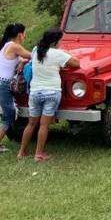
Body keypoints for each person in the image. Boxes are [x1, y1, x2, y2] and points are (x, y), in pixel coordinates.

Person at [18, 28, 80, 161]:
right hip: (52, 92)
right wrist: (65, 53)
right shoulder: (57, 53)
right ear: (55, 42)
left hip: (35, 92)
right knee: (43, 125)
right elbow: (76, 63)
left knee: (31, 124)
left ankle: (22, 152)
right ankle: (39, 154)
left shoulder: (35, 51)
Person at [0, 23, 31, 153]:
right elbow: (31, 55)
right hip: (1, 85)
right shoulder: (15, 46)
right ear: (20, 35)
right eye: (24, 33)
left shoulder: (5, 45)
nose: (24, 36)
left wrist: (21, 60)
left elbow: (19, 57)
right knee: (9, 116)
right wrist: (24, 60)